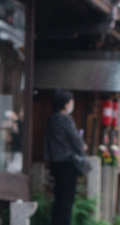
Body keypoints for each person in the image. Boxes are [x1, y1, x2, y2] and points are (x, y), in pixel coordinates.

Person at [44, 90, 87, 225]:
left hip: (55, 162)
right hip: (68, 163)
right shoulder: (65, 119)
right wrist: (83, 146)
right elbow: (75, 140)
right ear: (65, 103)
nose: (72, 104)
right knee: (67, 199)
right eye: (71, 101)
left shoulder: (52, 119)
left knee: (58, 197)